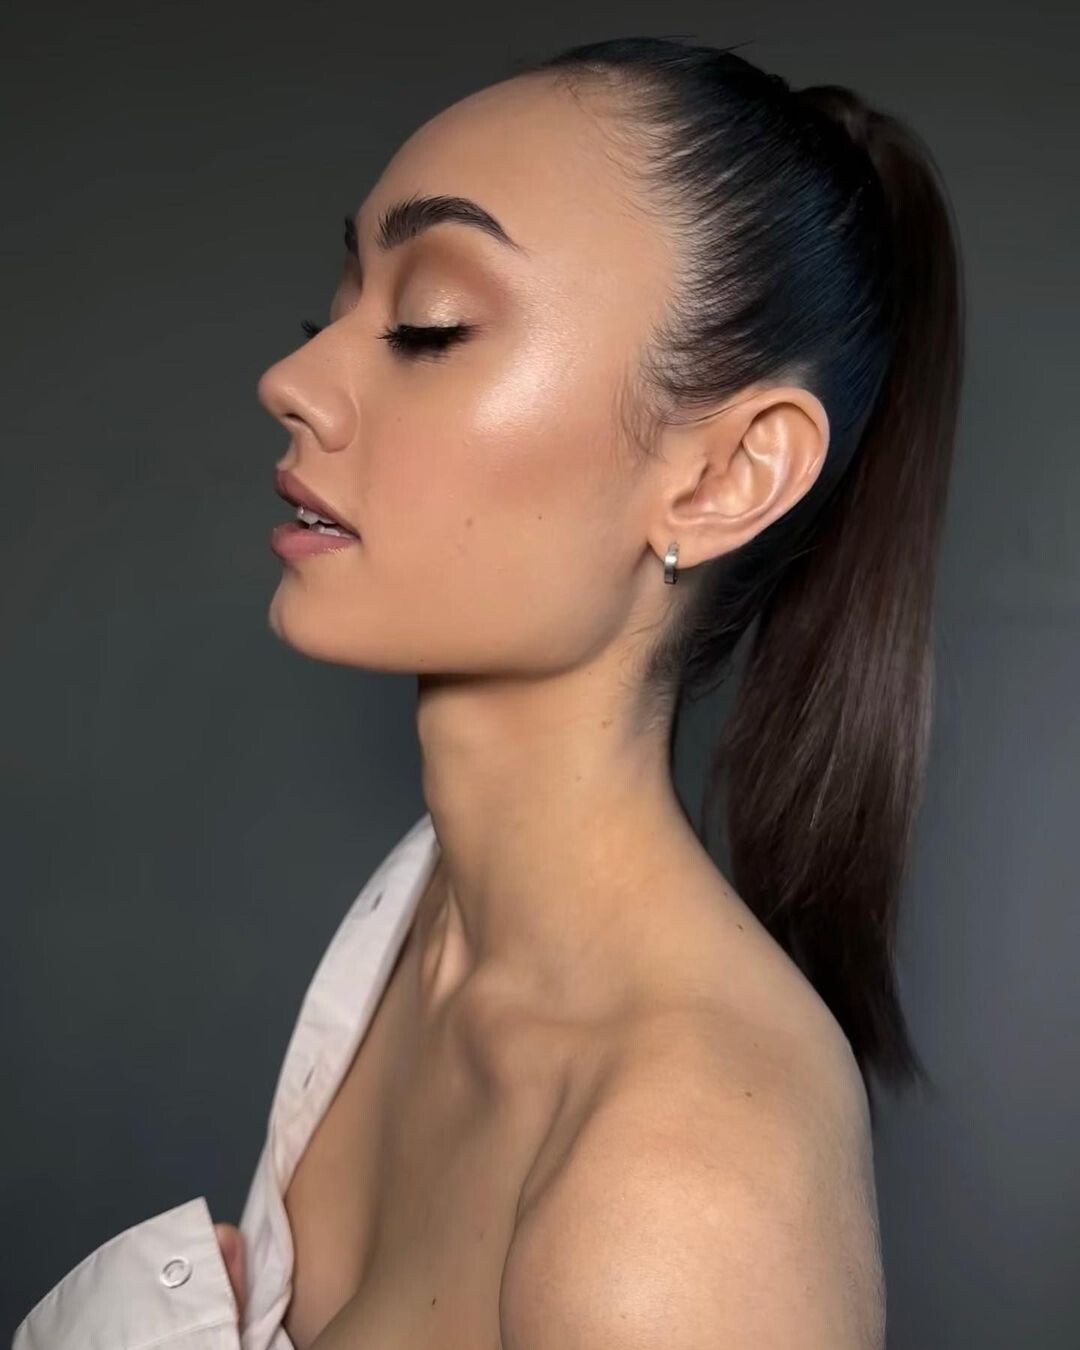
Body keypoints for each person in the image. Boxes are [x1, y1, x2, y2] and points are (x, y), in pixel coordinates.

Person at [13, 32, 964, 1350]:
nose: (291, 382)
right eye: (334, 312)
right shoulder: (421, 921)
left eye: (429, 326)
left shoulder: (679, 1200)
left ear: (723, 476)